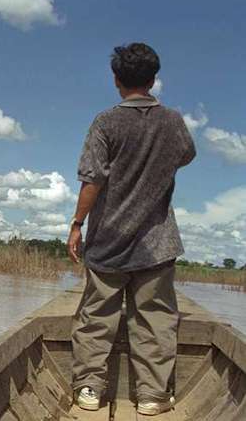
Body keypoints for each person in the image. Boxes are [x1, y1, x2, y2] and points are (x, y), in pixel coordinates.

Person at [66, 43, 196, 416]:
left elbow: (92, 180)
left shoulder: (106, 122)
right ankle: (153, 396)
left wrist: (77, 224)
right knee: (155, 320)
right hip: (157, 242)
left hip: (107, 239)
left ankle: (90, 387)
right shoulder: (172, 122)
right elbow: (185, 155)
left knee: (96, 315)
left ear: (116, 80)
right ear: (153, 80)